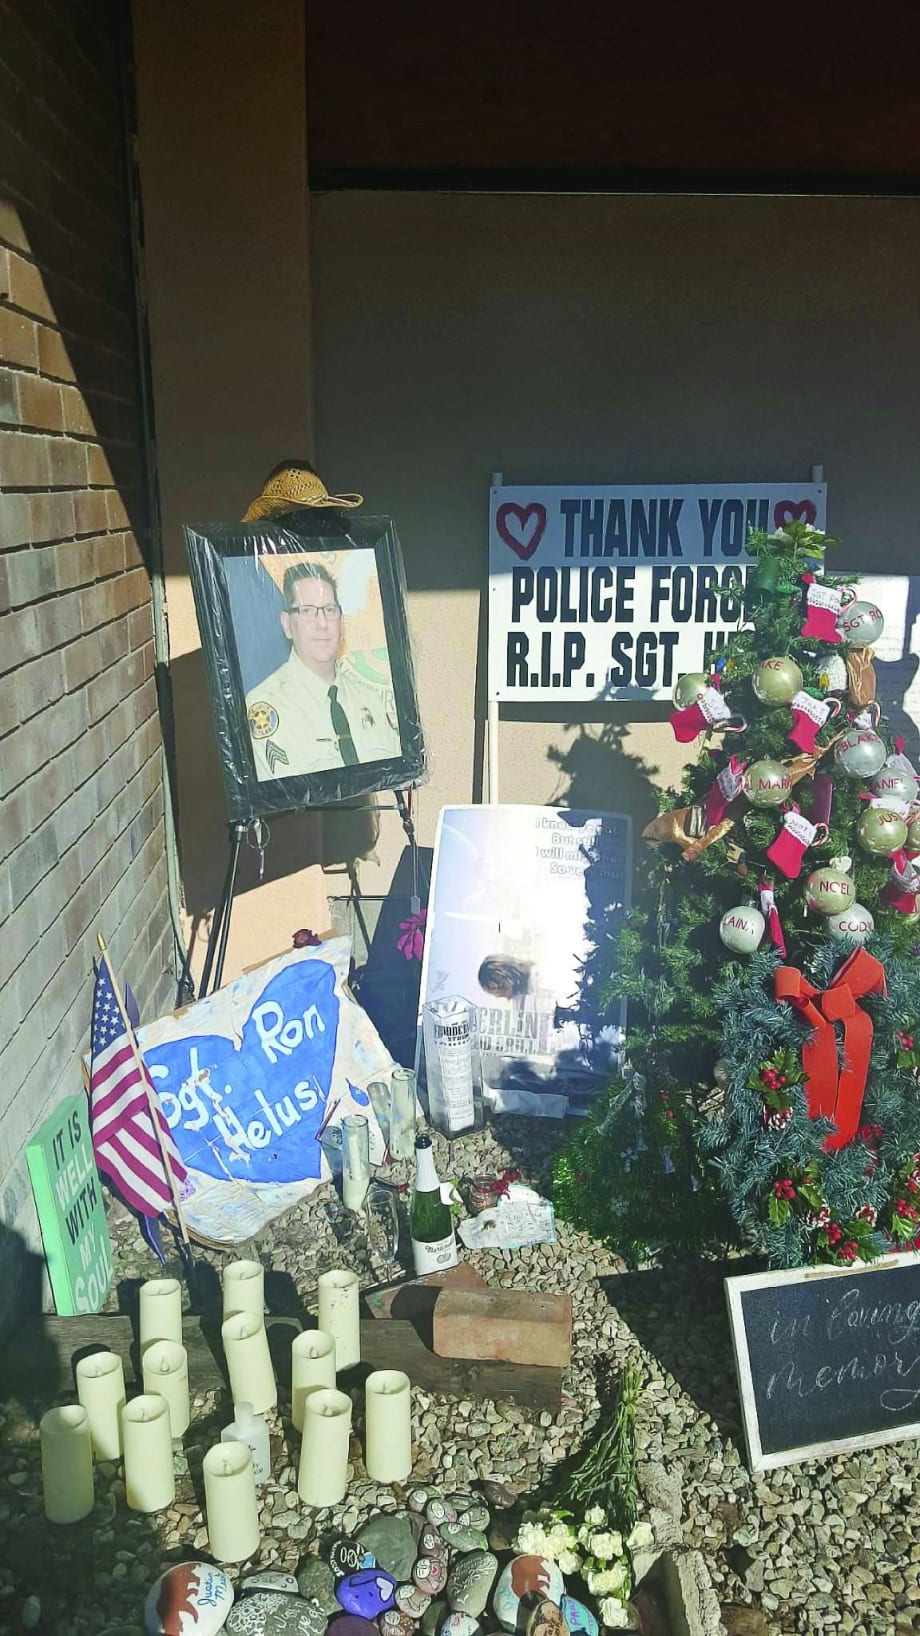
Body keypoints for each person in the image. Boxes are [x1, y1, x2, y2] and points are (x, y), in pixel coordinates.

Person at [245, 559, 401, 780]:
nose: (322, 623)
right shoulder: (265, 707)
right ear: (287, 624)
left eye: (329, 610)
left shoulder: (370, 699)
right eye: (307, 611)